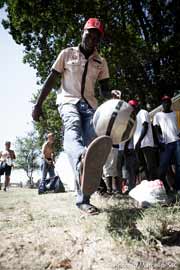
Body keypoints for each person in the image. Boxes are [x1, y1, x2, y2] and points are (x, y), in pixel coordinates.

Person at [32, 18, 119, 214]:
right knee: (73, 130)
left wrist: (112, 95)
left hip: (90, 107)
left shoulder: (101, 62)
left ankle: (84, 178)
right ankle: (81, 171)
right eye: (90, 33)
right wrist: (38, 105)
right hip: (68, 101)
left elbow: (105, 89)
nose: (92, 38)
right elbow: (52, 79)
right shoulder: (67, 54)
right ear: (83, 32)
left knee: (93, 141)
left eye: (96, 36)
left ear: (98, 41)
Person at [153, 95, 180, 194]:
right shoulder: (158, 115)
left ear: (170, 103)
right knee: (163, 166)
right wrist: (160, 140)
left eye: (168, 102)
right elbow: (156, 129)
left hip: (177, 141)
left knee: (178, 165)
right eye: (164, 102)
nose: (166, 103)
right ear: (162, 104)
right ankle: (165, 187)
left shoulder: (175, 114)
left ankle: (177, 187)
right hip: (166, 144)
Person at [129, 99, 158, 181]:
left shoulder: (143, 112)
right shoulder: (133, 117)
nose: (132, 109)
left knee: (150, 166)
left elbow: (145, 127)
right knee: (142, 166)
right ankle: (147, 184)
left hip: (146, 143)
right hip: (138, 145)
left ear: (136, 106)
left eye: (133, 107)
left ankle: (154, 184)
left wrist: (139, 141)